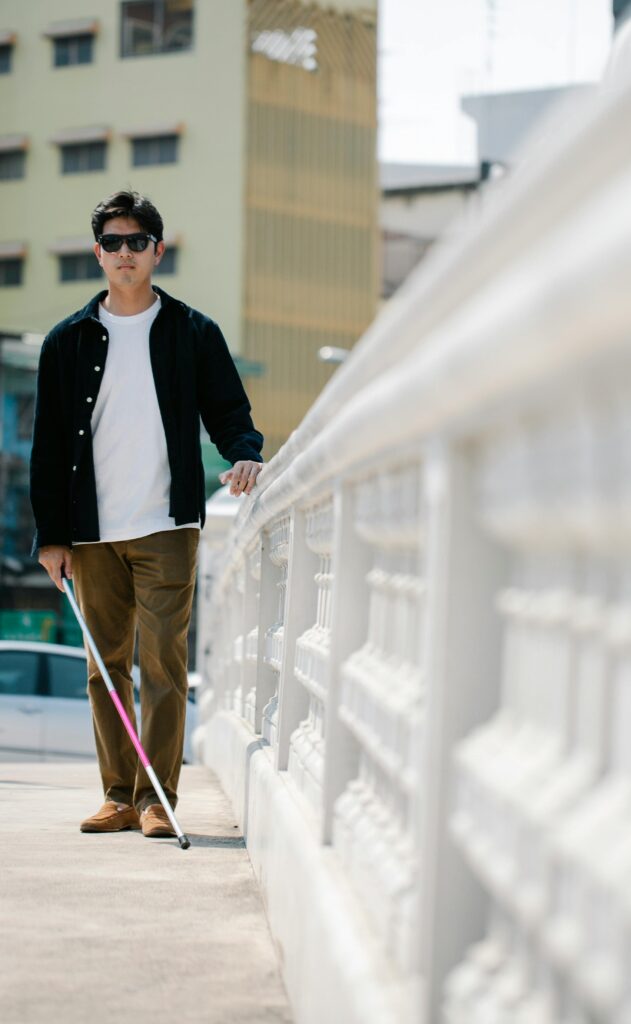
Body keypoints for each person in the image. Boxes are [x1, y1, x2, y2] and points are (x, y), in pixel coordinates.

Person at [29, 189, 264, 838]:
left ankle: (159, 798)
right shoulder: (67, 342)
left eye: (137, 242)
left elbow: (228, 414)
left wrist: (245, 456)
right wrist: (52, 538)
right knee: (104, 670)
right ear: (97, 254)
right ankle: (119, 795)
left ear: (158, 251)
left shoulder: (194, 333)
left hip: (167, 526)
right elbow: (48, 449)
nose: (125, 253)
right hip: (91, 534)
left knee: (162, 664)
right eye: (113, 243)